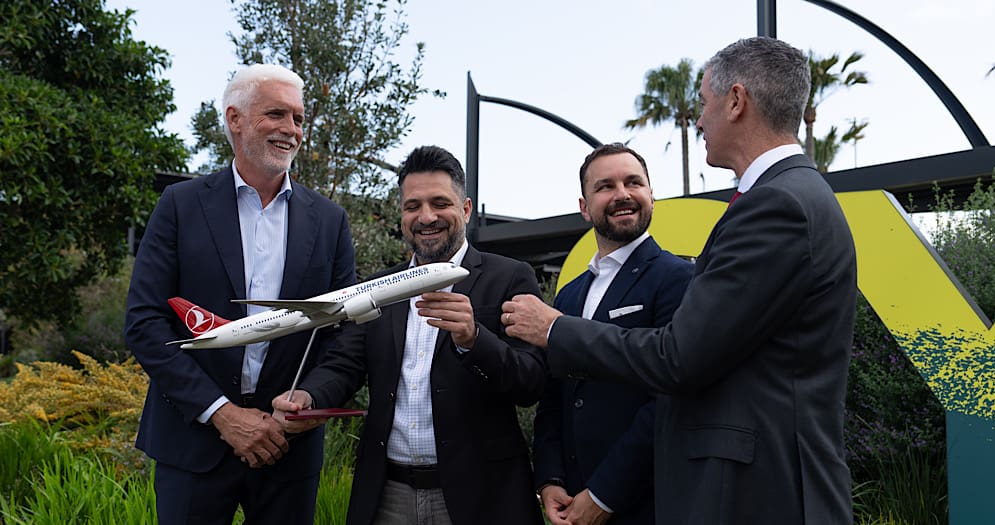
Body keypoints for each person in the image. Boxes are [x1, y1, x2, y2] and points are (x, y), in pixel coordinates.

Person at [502, 36, 857, 524]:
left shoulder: (778, 205)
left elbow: (679, 358)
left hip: (763, 496)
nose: (698, 120)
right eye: (604, 186)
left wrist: (553, 330)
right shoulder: (787, 196)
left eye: (703, 103)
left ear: (736, 101)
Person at [124, 64, 356, 525]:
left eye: (299, 118)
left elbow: (341, 335)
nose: (292, 130)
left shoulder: (331, 221)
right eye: (277, 114)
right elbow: (144, 322)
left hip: (287, 448)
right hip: (192, 443)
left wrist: (309, 398)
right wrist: (222, 414)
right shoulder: (180, 205)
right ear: (235, 119)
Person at [273, 145, 546, 525]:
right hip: (388, 495)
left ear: (465, 209)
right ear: (401, 215)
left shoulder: (510, 276)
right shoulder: (378, 287)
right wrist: (308, 395)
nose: (427, 217)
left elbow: (530, 382)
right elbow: (345, 362)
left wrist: (474, 339)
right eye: (412, 206)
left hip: (482, 495)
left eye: (440, 203)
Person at [533, 143, 693, 525]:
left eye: (633, 182)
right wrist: (550, 479)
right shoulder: (569, 293)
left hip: (645, 505)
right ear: (584, 206)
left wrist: (605, 494)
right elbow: (554, 397)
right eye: (605, 186)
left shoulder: (679, 279)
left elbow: (669, 401)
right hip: (569, 505)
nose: (622, 194)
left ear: (652, 195)